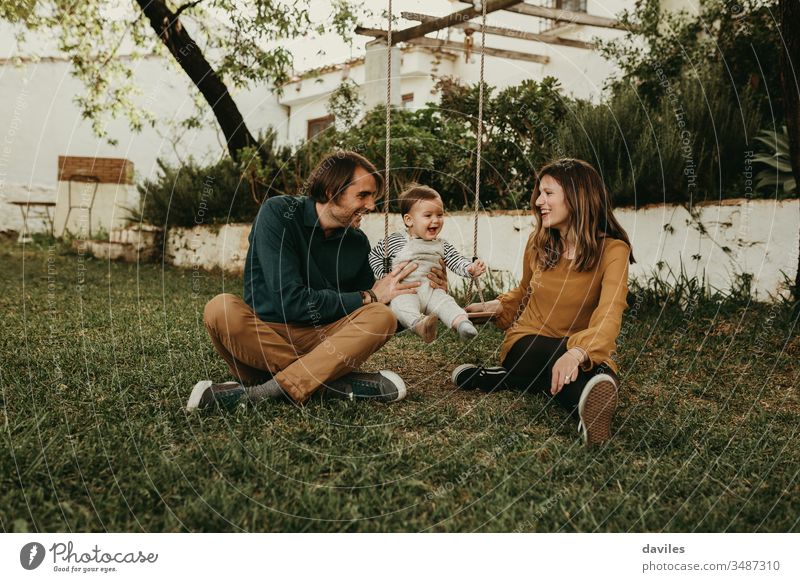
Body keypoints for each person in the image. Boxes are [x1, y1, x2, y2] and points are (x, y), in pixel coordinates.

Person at [187, 151, 448, 411]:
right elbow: (290, 301)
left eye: (372, 197)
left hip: (323, 339)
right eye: (363, 195)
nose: (371, 205)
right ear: (332, 191)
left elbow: (380, 310)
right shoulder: (278, 214)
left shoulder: (356, 243)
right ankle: (332, 381)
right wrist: (368, 296)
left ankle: (264, 393)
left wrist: (424, 297)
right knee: (220, 308)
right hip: (263, 338)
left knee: (381, 317)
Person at [452, 159, 634, 446]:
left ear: (578, 197)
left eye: (548, 193)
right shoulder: (539, 243)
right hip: (529, 343)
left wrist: (577, 353)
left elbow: (610, 313)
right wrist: (496, 306)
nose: (538, 201)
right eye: (539, 194)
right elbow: (525, 292)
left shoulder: (614, 251)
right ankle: (571, 395)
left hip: (579, 346)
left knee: (596, 369)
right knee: (555, 360)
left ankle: (582, 403)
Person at [368, 185, 486, 343]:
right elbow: (374, 256)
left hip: (432, 290)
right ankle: (420, 325)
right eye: (428, 215)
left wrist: (470, 268)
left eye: (440, 215)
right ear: (409, 220)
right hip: (405, 291)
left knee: (446, 303)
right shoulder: (396, 240)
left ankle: (462, 324)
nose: (435, 220)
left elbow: (456, 260)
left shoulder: (442, 244)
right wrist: (385, 276)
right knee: (400, 306)